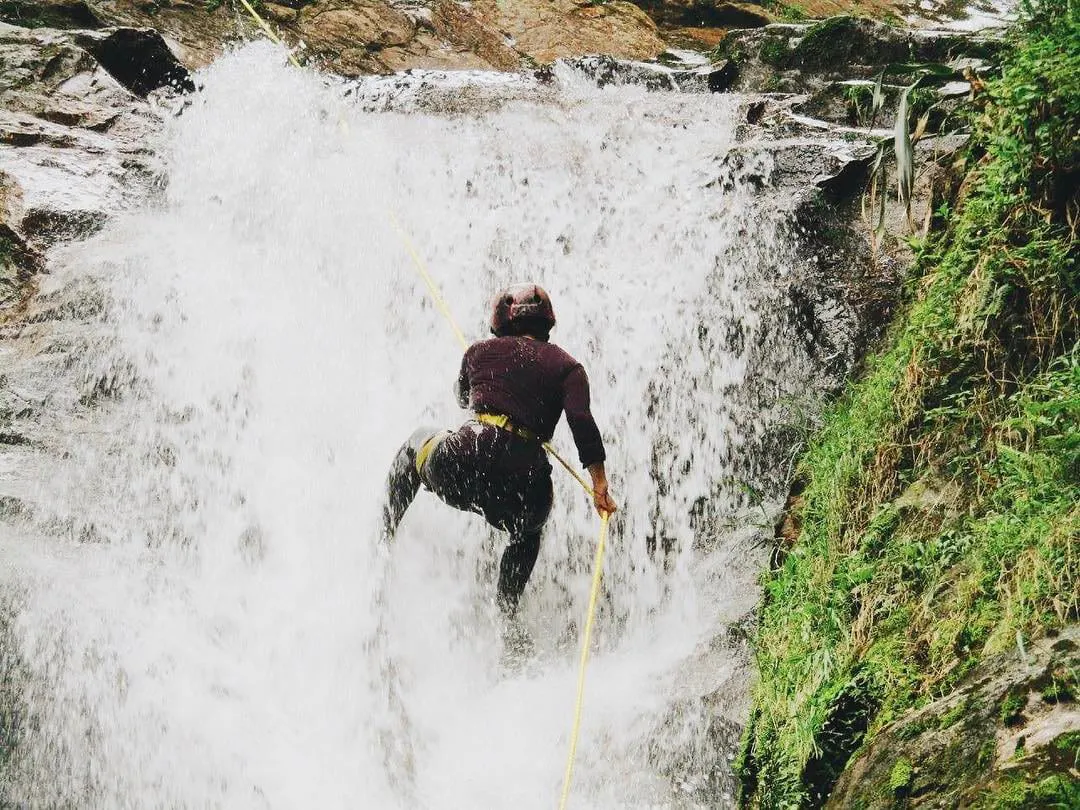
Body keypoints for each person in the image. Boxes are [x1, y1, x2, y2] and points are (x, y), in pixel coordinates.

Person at [382, 282, 617, 616]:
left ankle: (381, 540)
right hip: (521, 490)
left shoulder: (478, 352)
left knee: (414, 446)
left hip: (464, 464)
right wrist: (599, 483)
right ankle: (505, 613)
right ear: (549, 323)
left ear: (507, 322)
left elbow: (463, 399)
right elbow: (581, 420)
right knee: (527, 534)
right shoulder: (569, 368)